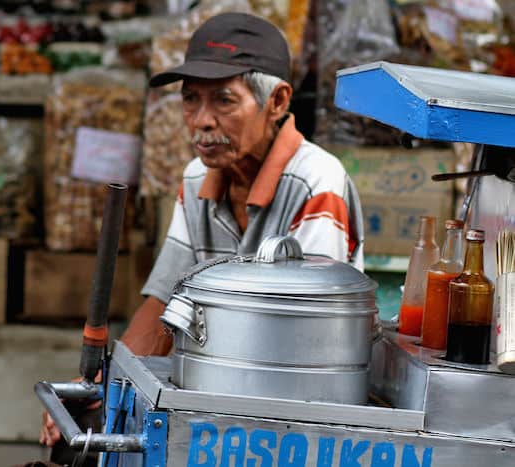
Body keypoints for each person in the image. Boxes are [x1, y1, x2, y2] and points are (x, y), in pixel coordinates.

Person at [40, 11, 364, 454]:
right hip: (219, 408)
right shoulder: (197, 179)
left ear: (278, 102)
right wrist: (103, 387)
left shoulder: (316, 180)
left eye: (224, 101)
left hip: (295, 419)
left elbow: (304, 345)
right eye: (190, 100)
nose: (201, 121)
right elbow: (163, 305)